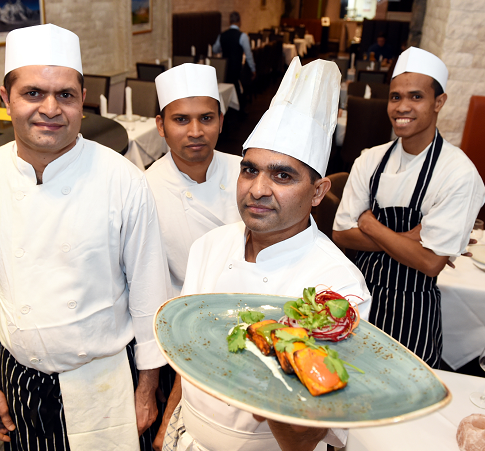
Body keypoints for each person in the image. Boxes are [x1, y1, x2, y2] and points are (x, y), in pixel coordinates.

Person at [0, 24, 171, 450]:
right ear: (6, 100)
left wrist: (148, 392)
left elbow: (150, 294)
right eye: (33, 93)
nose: (50, 108)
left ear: (82, 101)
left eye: (65, 95)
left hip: (108, 379)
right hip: (22, 382)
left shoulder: (123, 180)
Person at [156, 58, 372, 451]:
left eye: (282, 175)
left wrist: (268, 372)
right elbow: (186, 358)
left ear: (319, 191)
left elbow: (308, 437)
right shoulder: (210, 246)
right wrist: (168, 424)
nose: (257, 189)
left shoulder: (335, 289)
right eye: (249, 170)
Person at [331, 47, 485, 369]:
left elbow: (430, 263)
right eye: (395, 97)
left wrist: (371, 225)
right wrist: (409, 239)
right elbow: (341, 234)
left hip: (413, 314)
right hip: (360, 300)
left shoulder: (457, 173)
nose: (402, 107)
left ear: (438, 103)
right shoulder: (369, 160)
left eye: (416, 97)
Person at [146, 64, 242, 298]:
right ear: (161, 125)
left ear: (220, 121)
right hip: (184, 305)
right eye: (181, 119)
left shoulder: (245, 172)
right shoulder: (145, 189)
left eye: (206, 118)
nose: (196, 131)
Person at [212, 11, 256, 110]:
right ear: (239, 22)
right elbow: (248, 55)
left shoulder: (222, 35)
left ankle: (227, 108)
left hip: (225, 68)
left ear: (229, 21)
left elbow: (215, 49)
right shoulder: (242, 36)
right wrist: (253, 68)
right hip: (236, 68)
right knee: (237, 85)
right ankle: (239, 109)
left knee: (229, 85)